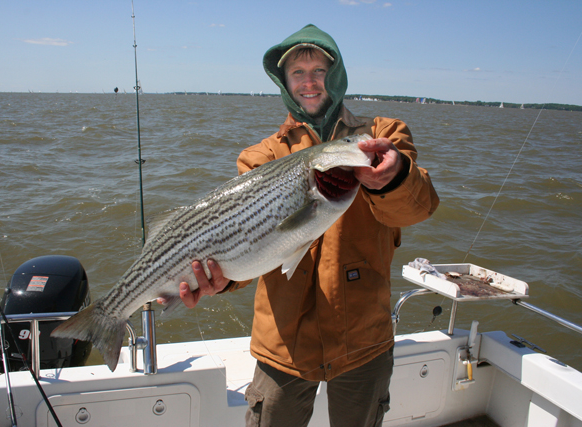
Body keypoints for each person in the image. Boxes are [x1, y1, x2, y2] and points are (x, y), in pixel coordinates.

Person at [170, 24, 439, 427]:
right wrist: (220, 280)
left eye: (319, 70)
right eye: (298, 72)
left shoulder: (380, 136)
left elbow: (417, 208)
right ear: (284, 81)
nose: (309, 82)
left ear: (337, 74)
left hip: (363, 341)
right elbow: (249, 247)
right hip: (283, 346)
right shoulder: (261, 155)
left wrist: (395, 175)